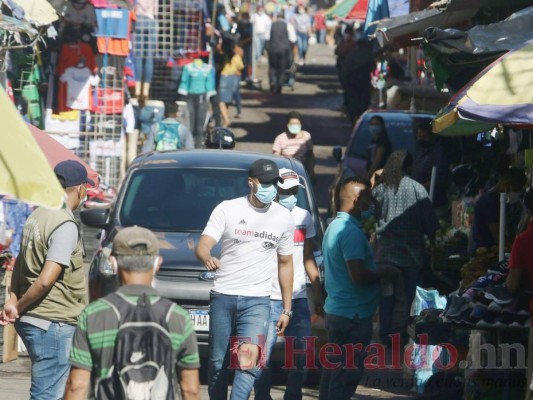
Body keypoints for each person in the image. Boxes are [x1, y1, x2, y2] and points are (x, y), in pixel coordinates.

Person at [195, 159, 295, 400]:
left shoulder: (283, 217)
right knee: (218, 362)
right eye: (267, 183)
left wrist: (287, 308)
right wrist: (206, 256)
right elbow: (204, 244)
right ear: (251, 182)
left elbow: (285, 263)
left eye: (275, 183)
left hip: (258, 301)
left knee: (249, 363)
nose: (272, 188)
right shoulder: (228, 209)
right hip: (224, 297)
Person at [64, 226, 200, 399]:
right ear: (157, 263)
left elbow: (77, 386)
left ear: (113, 263)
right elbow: (191, 389)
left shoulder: (93, 314)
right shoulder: (178, 317)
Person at [0, 160, 93, 399]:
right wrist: (17, 306)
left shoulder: (37, 215)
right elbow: (45, 280)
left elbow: (20, 262)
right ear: (80, 188)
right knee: (47, 395)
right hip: (52, 321)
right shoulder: (64, 223)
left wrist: (12, 301)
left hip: (36, 320)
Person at [319, 176, 398, 400]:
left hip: (339, 311)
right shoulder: (349, 232)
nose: (371, 205)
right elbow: (358, 275)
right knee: (345, 376)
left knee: (334, 372)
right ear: (356, 200)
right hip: (352, 315)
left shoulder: (334, 226)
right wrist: (384, 272)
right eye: (368, 200)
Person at [254, 168, 324, 400]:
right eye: (287, 191)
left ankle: (293, 395)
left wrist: (319, 287)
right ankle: (263, 395)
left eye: (295, 191)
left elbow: (307, 256)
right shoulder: (262, 217)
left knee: (300, 354)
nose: (291, 196)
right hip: (268, 297)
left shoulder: (304, 217)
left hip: (298, 297)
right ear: (275, 191)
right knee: (263, 354)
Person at [372, 150, 437, 344]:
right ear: (409, 167)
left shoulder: (380, 190)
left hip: (385, 254)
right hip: (411, 257)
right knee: (407, 299)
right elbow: (430, 225)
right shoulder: (418, 190)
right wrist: (432, 246)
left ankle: (385, 333)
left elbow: (370, 215)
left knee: (387, 296)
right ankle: (400, 334)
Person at [470, 166, 526, 256]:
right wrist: (516, 249)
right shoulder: (490, 202)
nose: (516, 194)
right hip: (483, 252)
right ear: (507, 184)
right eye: (516, 190)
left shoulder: (500, 200)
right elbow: (498, 235)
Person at [411, 118, 450, 214]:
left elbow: (439, 178)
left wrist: (419, 187)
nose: (421, 139)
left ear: (431, 135)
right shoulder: (420, 150)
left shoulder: (439, 152)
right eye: (419, 136)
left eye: (424, 137)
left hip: (435, 202)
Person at [272, 111, 315, 180]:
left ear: (301, 124)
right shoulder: (280, 138)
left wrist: (311, 171)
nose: (294, 126)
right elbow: (275, 157)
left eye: (297, 124)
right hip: (286, 173)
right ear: (287, 124)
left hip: (302, 172)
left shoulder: (306, 136)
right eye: (292, 124)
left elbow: (311, 155)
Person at [266, 11, 296, 94]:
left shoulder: (271, 25)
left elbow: (267, 37)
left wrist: (268, 48)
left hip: (273, 49)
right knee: (281, 68)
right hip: (284, 50)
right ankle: (279, 85)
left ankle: (272, 82)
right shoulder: (288, 26)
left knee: (272, 67)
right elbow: (293, 39)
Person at [218, 37, 244, 127]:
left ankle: (226, 119)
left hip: (224, 77)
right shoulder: (236, 56)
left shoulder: (223, 55)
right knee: (227, 100)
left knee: (220, 100)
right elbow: (240, 67)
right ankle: (225, 116)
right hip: (233, 78)